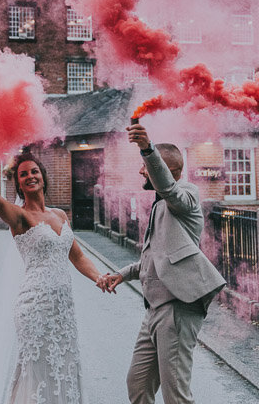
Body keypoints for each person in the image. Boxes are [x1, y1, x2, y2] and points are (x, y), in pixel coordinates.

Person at [0, 151, 102, 404]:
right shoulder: (19, 217)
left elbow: (77, 257)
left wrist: (99, 277)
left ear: (43, 176)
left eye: (34, 171)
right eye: (23, 174)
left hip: (63, 310)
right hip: (36, 307)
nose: (30, 176)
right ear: (19, 184)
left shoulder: (60, 216)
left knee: (63, 368)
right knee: (38, 373)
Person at [96, 122, 226, 404]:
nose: (142, 169)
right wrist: (121, 274)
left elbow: (170, 189)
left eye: (147, 165)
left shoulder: (186, 195)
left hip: (178, 308)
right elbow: (154, 258)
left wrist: (147, 149)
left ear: (166, 170)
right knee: (138, 385)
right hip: (154, 310)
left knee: (175, 395)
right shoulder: (158, 205)